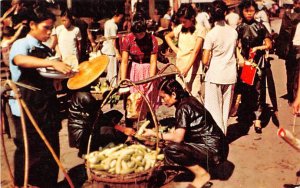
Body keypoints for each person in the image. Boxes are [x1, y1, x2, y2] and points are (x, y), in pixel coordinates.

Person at [8, 6, 72, 187]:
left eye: (52, 28)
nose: (50, 32)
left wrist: (62, 74)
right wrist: (50, 64)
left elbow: (49, 74)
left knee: (50, 148)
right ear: (32, 25)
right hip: (27, 106)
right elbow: (20, 60)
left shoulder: (44, 48)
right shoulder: (22, 44)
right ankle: (26, 184)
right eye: (46, 28)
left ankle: (48, 183)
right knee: (30, 149)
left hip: (46, 105)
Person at [142, 78, 228, 188]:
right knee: (175, 142)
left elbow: (178, 138)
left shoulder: (183, 107)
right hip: (220, 146)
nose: (162, 101)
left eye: (163, 97)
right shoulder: (190, 99)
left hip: (213, 151)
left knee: (171, 149)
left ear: (173, 94)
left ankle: (201, 174)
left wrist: (154, 133)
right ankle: (197, 169)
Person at [236, 0, 272, 133]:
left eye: (251, 11)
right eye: (246, 11)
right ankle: (246, 115)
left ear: (255, 11)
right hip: (246, 63)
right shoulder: (239, 28)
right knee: (246, 89)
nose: (249, 13)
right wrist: (240, 56)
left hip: (259, 63)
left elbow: (269, 44)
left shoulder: (261, 27)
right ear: (242, 11)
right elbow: (234, 44)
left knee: (259, 90)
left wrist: (258, 47)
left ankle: (258, 118)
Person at [202, 1, 238, 135]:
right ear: (225, 13)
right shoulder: (233, 32)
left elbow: (205, 60)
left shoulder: (211, 34)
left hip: (215, 75)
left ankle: (217, 140)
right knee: (224, 111)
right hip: (230, 75)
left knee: (213, 110)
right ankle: (223, 136)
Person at [120, 11, 159, 122]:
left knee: (148, 98)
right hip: (133, 70)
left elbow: (153, 62)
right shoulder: (128, 39)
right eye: (136, 34)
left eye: (140, 33)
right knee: (132, 98)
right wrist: (124, 80)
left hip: (147, 69)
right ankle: (130, 127)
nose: (138, 36)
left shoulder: (152, 40)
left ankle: (150, 125)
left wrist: (151, 79)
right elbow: (124, 61)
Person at [165, 4, 207, 101]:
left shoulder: (200, 29)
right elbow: (167, 37)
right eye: (181, 21)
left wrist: (187, 69)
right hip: (180, 67)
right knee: (180, 97)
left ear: (192, 18)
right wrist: (176, 50)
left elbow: (195, 52)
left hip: (193, 70)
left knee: (194, 96)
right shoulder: (180, 28)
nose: (183, 23)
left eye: (184, 21)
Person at [276, 0, 300, 103]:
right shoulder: (289, 14)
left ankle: (296, 97)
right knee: (291, 74)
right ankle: (292, 96)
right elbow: (283, 33)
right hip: (291, 48)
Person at [102, 9, 124, 87]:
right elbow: (113, 40)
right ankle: (113, 88)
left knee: (109, 71)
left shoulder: (107, 23)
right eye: (120, 18)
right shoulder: (113, 26)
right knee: (113, 71)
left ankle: (109, 86)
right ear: (116, 16)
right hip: (111, 51)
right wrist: (117, 53)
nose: (120, 20)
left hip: (106, 49)